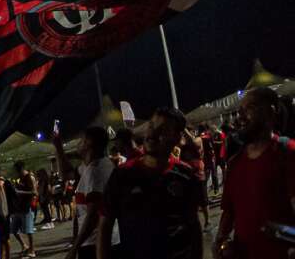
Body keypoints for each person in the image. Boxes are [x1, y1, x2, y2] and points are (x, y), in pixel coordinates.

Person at [98, 106, 203, 259]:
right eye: (152, 126)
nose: (152, 134)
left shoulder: (185, 175)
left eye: (163, 130)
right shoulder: (122, 174)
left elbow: (194, 224)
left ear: (177, 138)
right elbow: (105, 225)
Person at [214, 87, 295, 259]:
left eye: (249, 108)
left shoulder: (288, 152)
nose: (240, 117)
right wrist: (220, 240)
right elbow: (229, 211)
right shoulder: (235, 163)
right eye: (239, 111)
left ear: (271, 112)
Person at [54, 127, 118, 259]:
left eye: (81, 140)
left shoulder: (96, 172)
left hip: (97, 244)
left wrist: (74, 248)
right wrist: (58, 148)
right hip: (99, 241)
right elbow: (65, 174)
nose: (78, 143)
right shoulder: (93, 166)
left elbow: (93, 216)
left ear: (88, 143)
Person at [10, 161, 36, 258]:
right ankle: (25, 246)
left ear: (20, 169)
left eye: (16, 170)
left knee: (29, 230)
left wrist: (19, 192)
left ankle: (32, 250)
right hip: (18, 208)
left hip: (26, 207)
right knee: (13, 229)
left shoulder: (29, 177)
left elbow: (34, 192)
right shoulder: (19, 178)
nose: (15, 172)